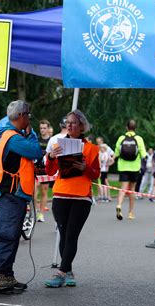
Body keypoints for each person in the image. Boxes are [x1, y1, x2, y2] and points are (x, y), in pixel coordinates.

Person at [0, 100, 42, 292]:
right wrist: (32, 135)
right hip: (11, 194)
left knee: (10, 236)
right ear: (21, 116)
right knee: (8, 235)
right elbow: (36, 151)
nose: (29, 119)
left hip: (12, 194)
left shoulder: (11, 135)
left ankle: (6, 276)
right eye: (28, 115)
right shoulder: (13, 138)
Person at [44, 109, 100, 288]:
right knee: (63, 233)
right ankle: (68, 270)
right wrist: (51, 156)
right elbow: (50, 171)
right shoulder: (57, 145)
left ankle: (61, 272)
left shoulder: (91, 149)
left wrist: (86, 168)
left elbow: (96, 174)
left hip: (81, 197)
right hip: (60, 194)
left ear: (82, 126)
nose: (69, 125)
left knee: (71, 235)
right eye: (67, 122)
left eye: (73, 122)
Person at [114, 120, 147, 220]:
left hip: (123, 166)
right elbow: (144, 154)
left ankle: (119, 205)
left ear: (126, 127)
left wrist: (112, 159)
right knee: (132, 189)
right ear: (135, 128)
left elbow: (116, 153)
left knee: (123, 188)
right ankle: (131, 213)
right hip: (134, 167)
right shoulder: (139, 139)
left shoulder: (121, 138)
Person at [35, 119, 52, 222]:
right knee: (34, 189)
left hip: (46, 168)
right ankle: (35, 210)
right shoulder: (36, 139)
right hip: (36, 166)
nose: (42, 130)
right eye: (41, 128)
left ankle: (41, 213)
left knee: (44, 191)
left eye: (44, 128)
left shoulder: (52, 140)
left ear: (48, 129)